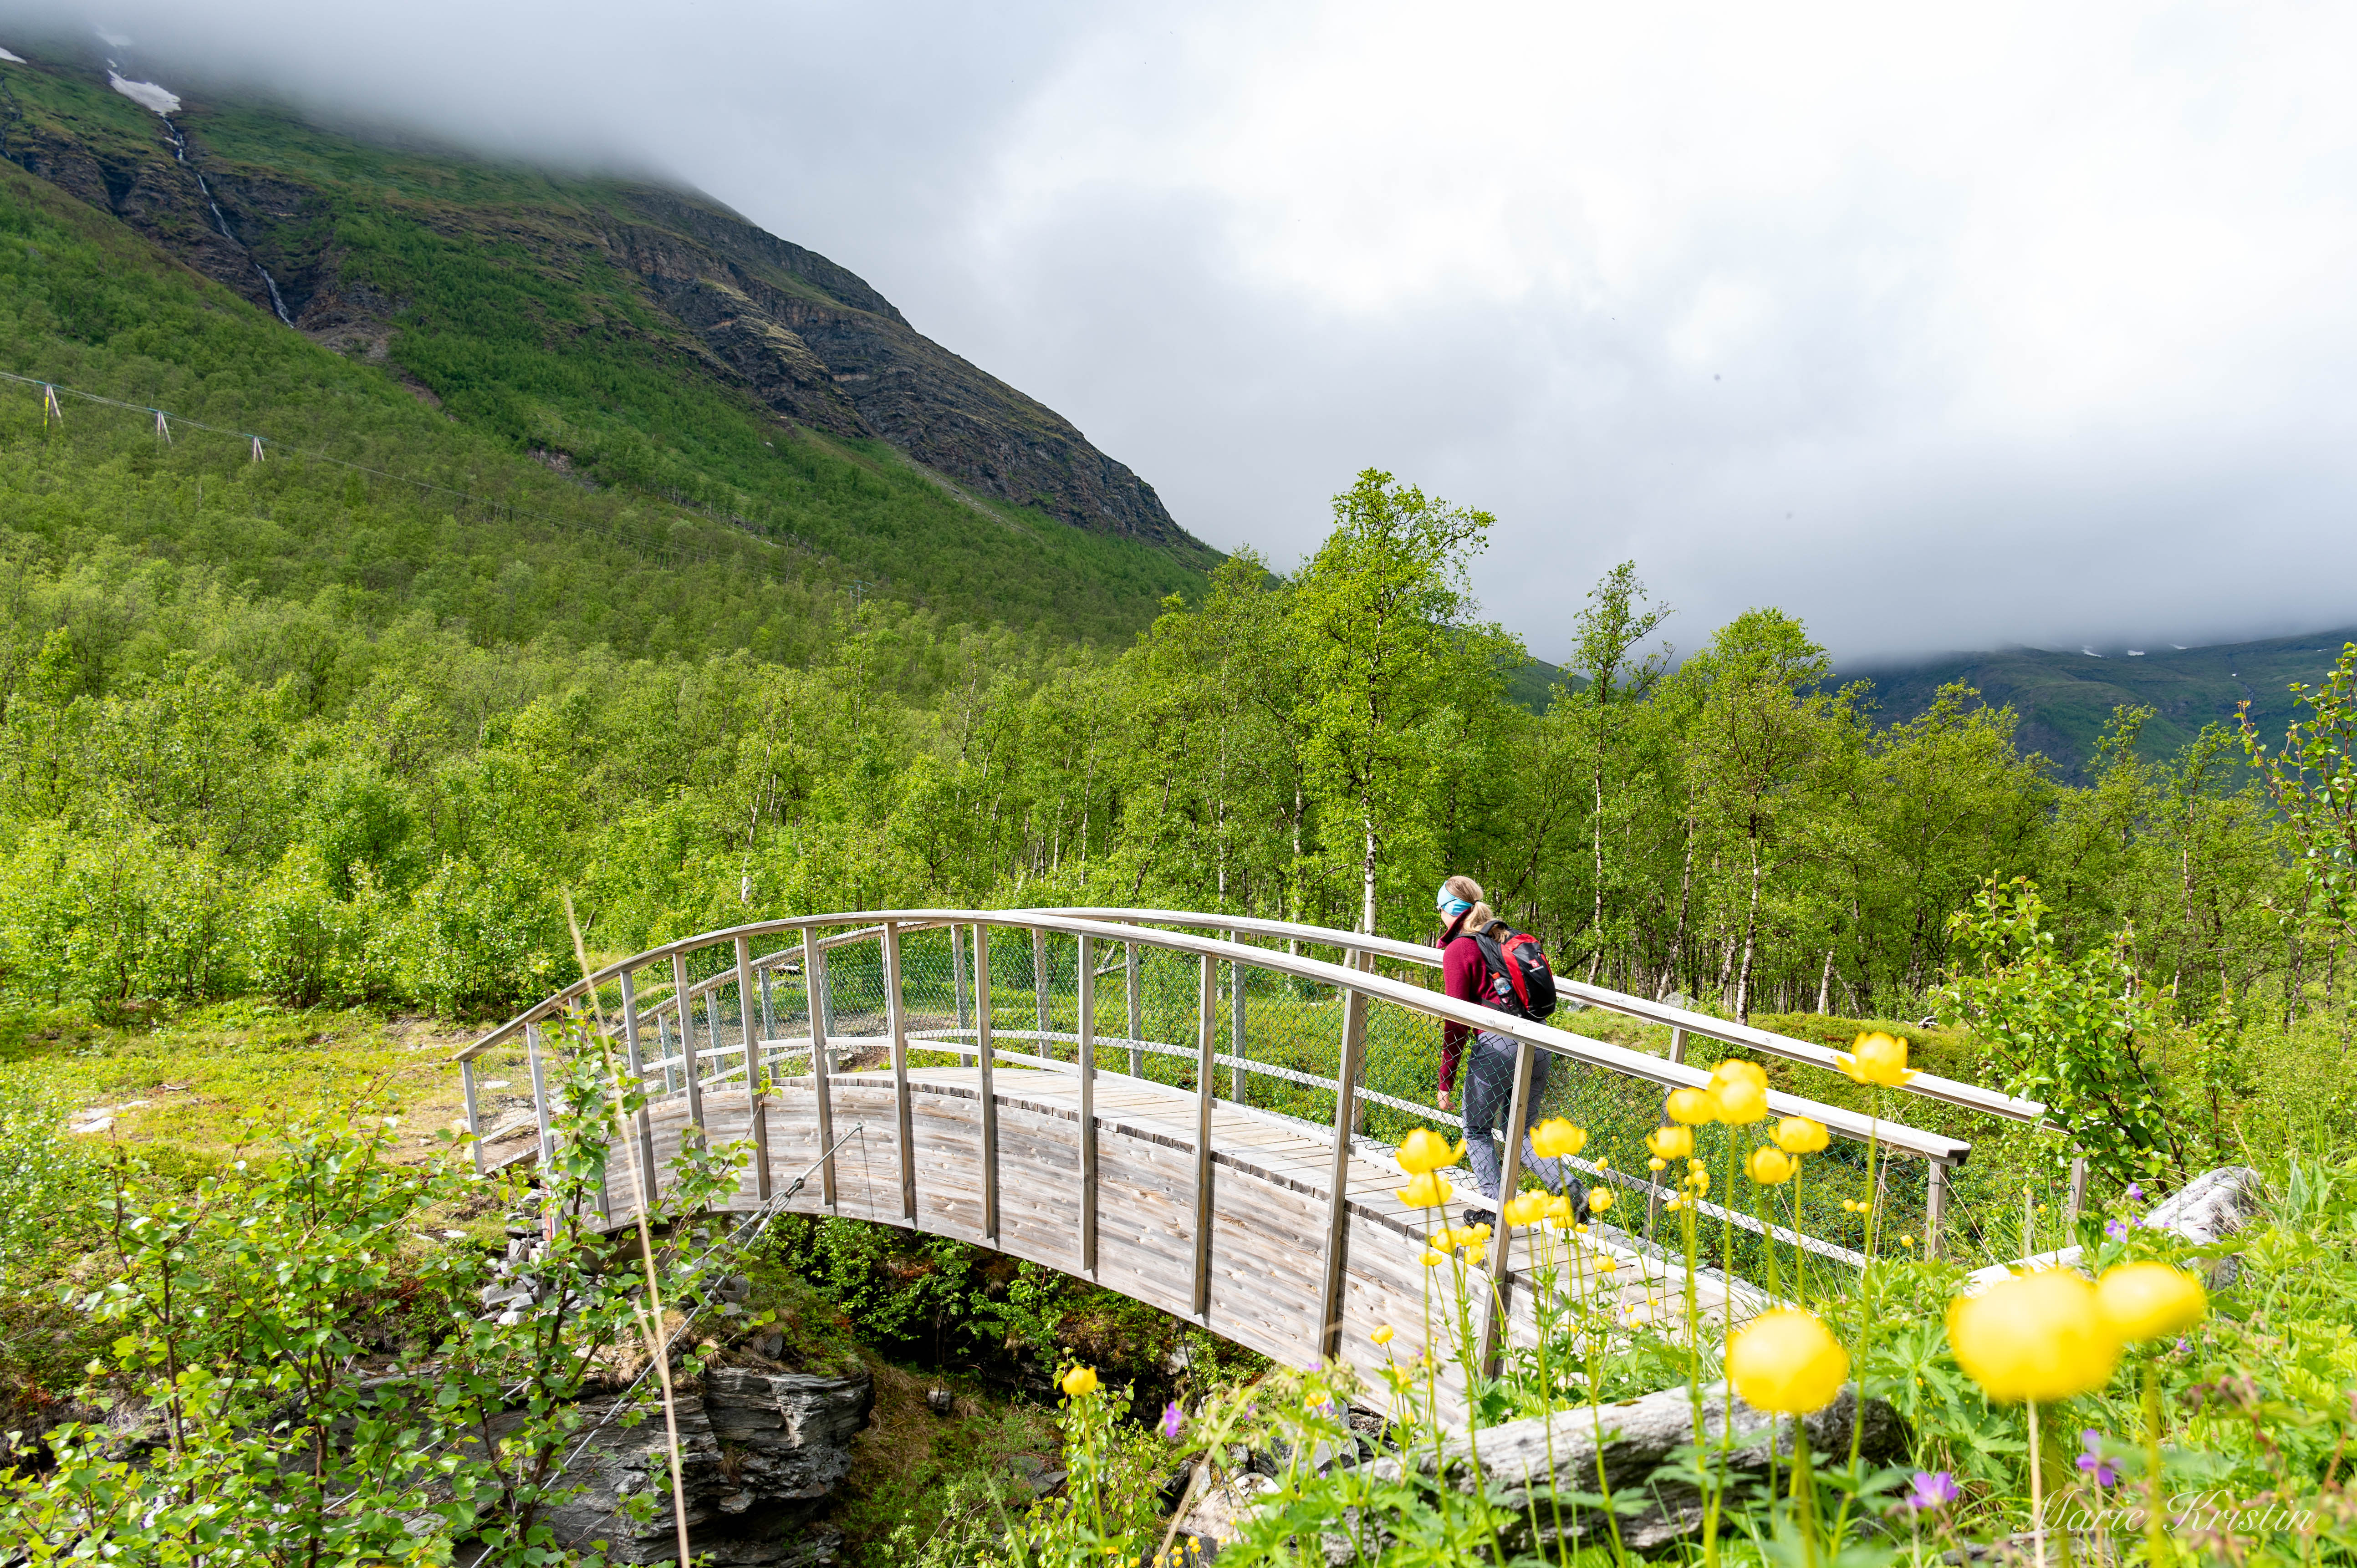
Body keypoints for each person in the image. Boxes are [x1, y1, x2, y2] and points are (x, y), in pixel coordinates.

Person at [1434, 875, 1581, 1228]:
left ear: (1449, 912)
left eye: (1439, 910)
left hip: (1499, 1047)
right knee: (1522, 1131)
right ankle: (1573, 1191)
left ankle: (1495, 1211)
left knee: (1476, 1130)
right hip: (1539, 1040)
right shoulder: (1501, 938)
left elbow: (1457, 1021)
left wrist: (1445, 1081)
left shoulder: (1460, 949)